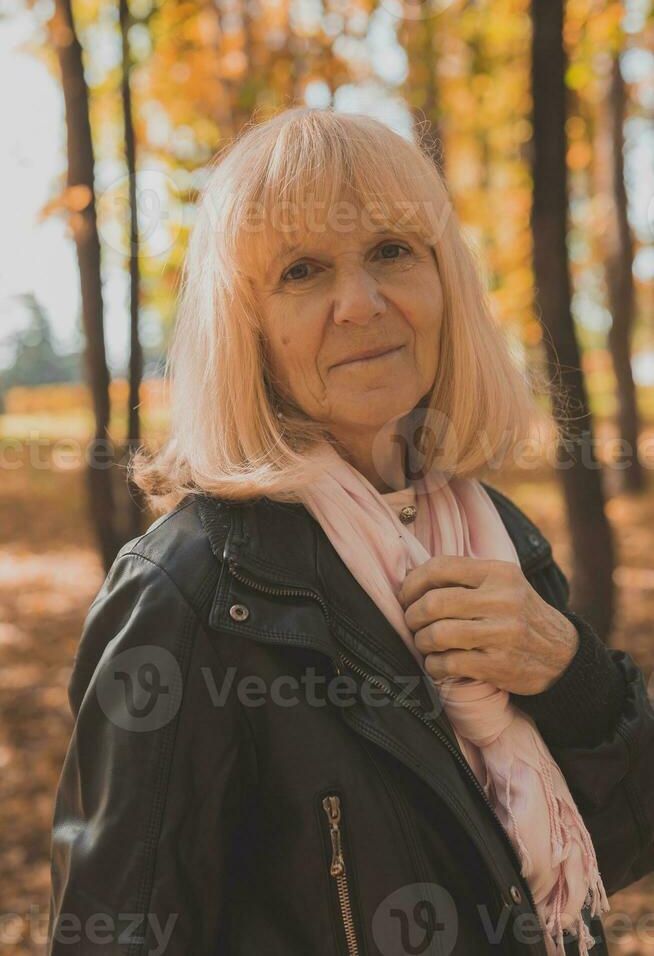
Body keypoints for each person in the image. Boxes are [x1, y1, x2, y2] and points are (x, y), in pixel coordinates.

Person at [47, 107, 654, 956]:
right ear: (246, 329)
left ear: (444, 280)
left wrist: (575, 679)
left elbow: (607, 858)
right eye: (301, 270)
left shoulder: (493, 533)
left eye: (392, 252)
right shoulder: (188, 591)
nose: (361, 304)